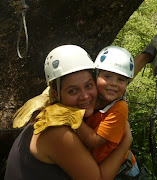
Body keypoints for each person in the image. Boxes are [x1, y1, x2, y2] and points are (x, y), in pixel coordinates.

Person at [4, 45, 133, 180]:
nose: (85, 96)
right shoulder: (57, 130)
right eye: (73, 91)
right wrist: (126, 142)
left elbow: (115, 80)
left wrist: (147, 54)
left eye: (89, 85)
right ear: (56, 94)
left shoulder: (50, 112)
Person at [76, 46, 140, 179]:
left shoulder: (119, 108)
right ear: (96, 76)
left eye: (121, 79)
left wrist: (72, 118)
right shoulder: (90, 98)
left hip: (122, 172)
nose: (113, 83)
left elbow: (95, 141)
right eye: (107, 76)